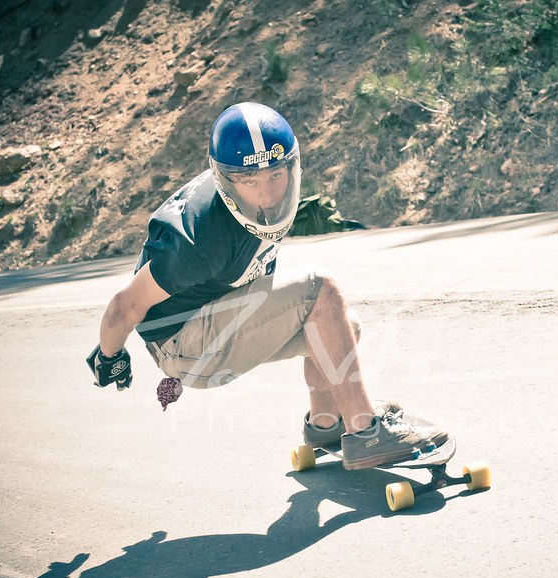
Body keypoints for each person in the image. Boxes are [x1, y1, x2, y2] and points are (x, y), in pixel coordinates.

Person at [86, 102, 447, 469]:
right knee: (320, 287)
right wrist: (109, 355)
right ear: (226, 179)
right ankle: (366, 434)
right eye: (249, 181)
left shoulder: (260, 204)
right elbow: (124, 306)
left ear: (292, 166)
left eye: (276, 174)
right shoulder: (197, 239)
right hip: (184, 344)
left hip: (215, 318)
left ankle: (327, 423)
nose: (268, 194)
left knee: (340, 328)